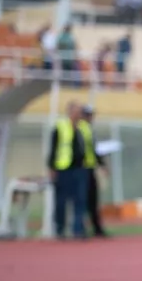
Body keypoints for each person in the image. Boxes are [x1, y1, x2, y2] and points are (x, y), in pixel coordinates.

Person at [47, 100, 92, 240]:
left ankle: (78, 230)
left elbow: (90, 147)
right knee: (61, 201)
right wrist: (51, 167)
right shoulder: (60, 127)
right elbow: (53, 149)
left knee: (80, 201)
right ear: (70, 112)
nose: (80, 114)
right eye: (78, 111)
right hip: (63, 169)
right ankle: (59, 229)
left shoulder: (85, 127)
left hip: (80, 169)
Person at [81, 104, 109, 238]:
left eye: (91, 115)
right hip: (79, 170)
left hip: (90, 169)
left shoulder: (89, 130)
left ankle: (97, 228)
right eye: (88, 115)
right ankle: (80, 228)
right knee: (81, 200)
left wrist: (102, 165)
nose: (91, 118)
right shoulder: (78, 129)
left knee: (93, 199)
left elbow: (95, 150)